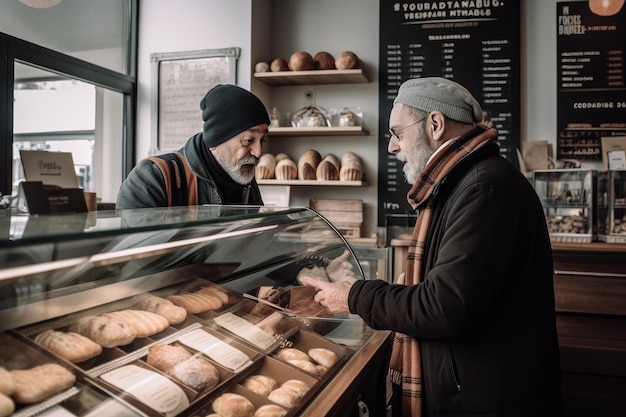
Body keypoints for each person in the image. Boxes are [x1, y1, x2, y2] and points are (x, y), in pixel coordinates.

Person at [300, 77, 563, 417]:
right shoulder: (468, 182)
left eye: (397, 132)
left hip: (488, 400)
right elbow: (457, 289)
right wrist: (412, 282)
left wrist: (352, 296)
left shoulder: (483, 191)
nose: (392, 147)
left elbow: (443, 307)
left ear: (435, 124)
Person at [116, 84, 270, 209]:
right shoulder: (151, 178)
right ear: (216, 139)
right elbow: (133, 244)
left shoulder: (242, 175)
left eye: (262, 140)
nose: (258, 152)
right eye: (248, 141)